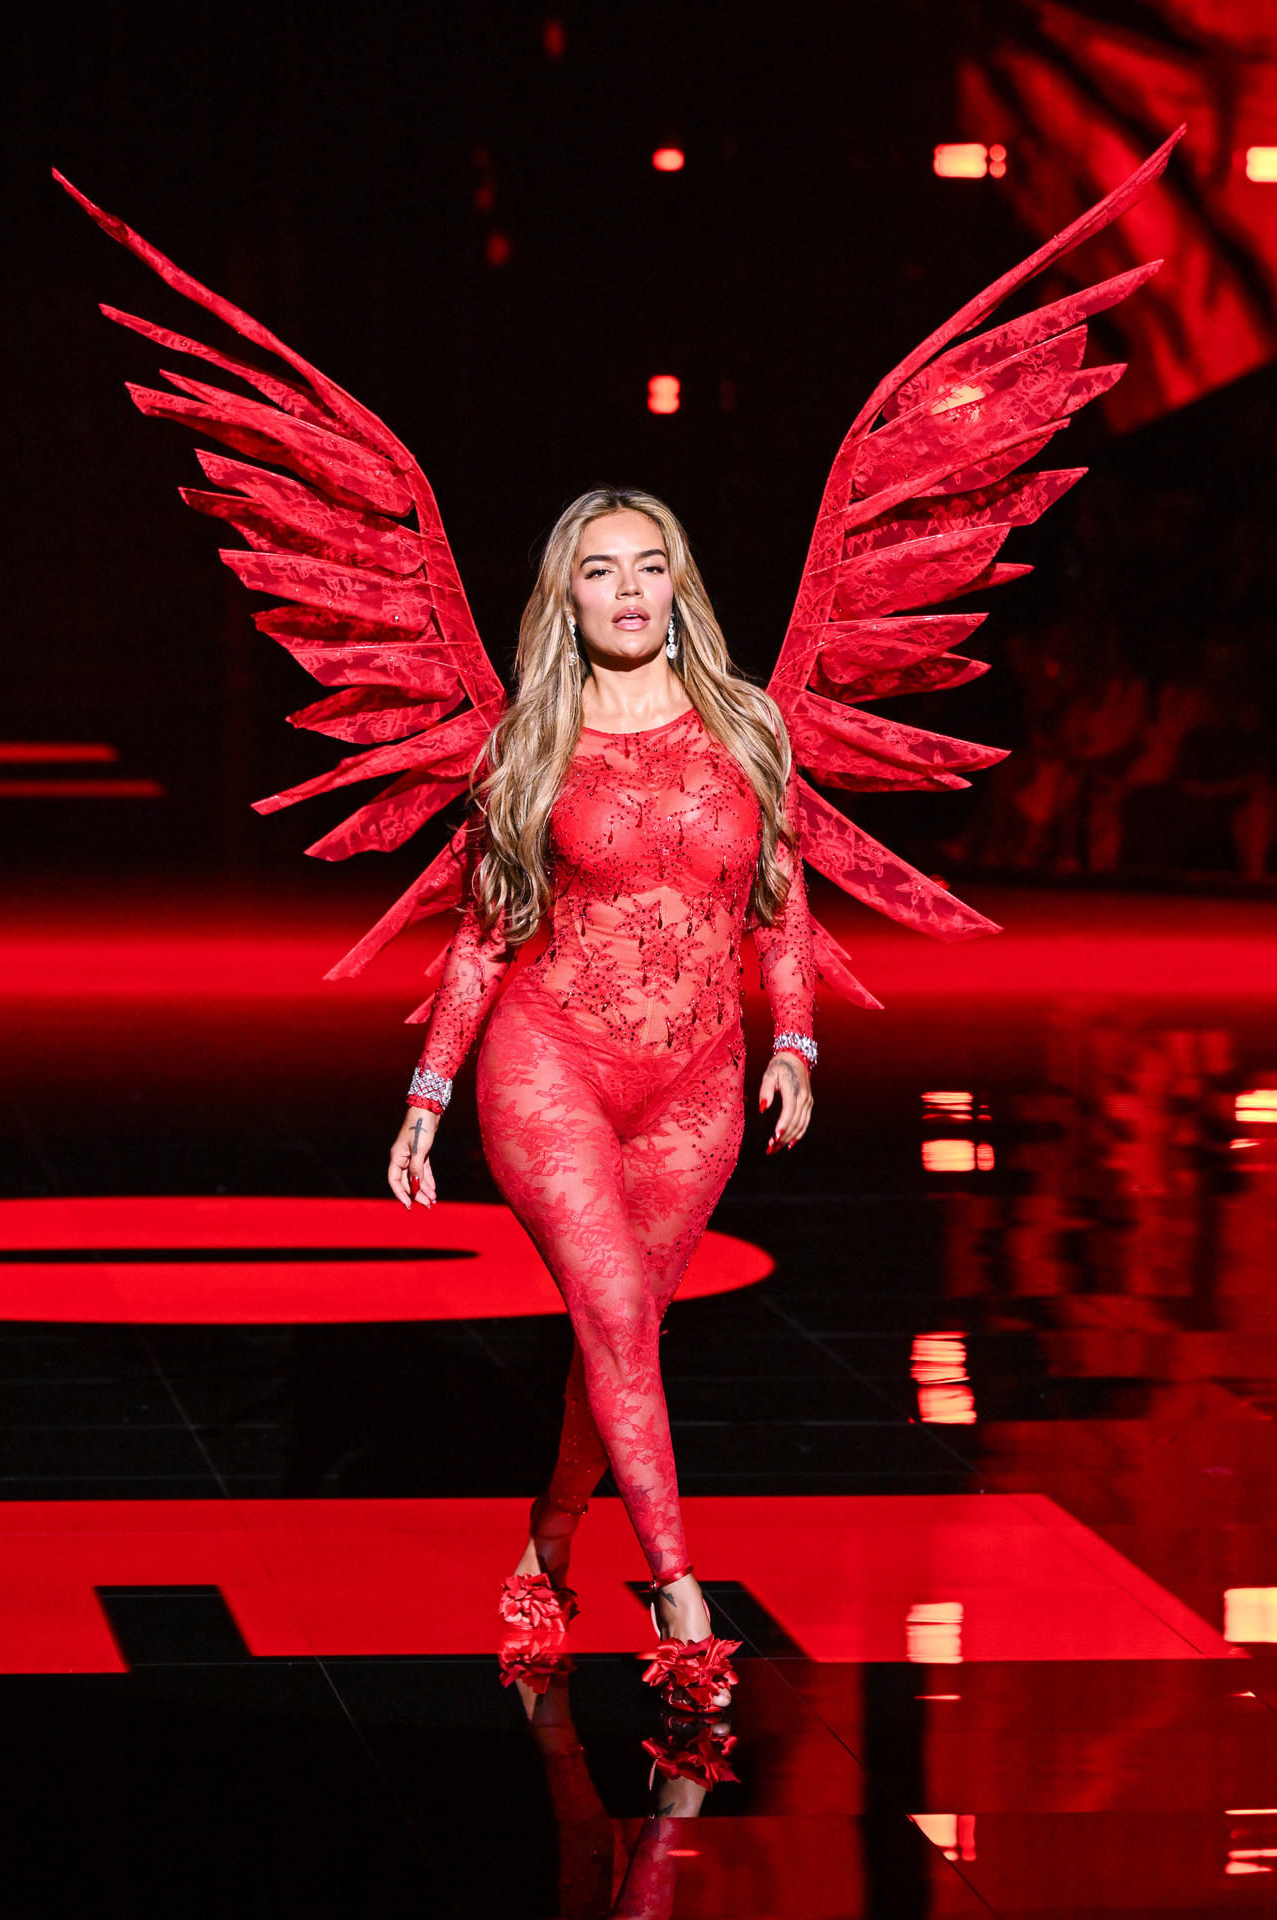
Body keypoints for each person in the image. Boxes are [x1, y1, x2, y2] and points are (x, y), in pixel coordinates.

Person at [387, 488, 817, 1710]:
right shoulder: (529, 741)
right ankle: (679, 1595)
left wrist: (795, 1040)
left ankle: (550, 1542)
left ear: (677, 586)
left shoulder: (748, 725)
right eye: (597, 569)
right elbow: (485, 932)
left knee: (616, 1334)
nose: (626, 588)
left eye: (647, 564)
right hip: (551, 1063)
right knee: (618, 1315)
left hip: (699, 1083)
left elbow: (781, 899)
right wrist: (427, 1093)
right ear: (562, 599)